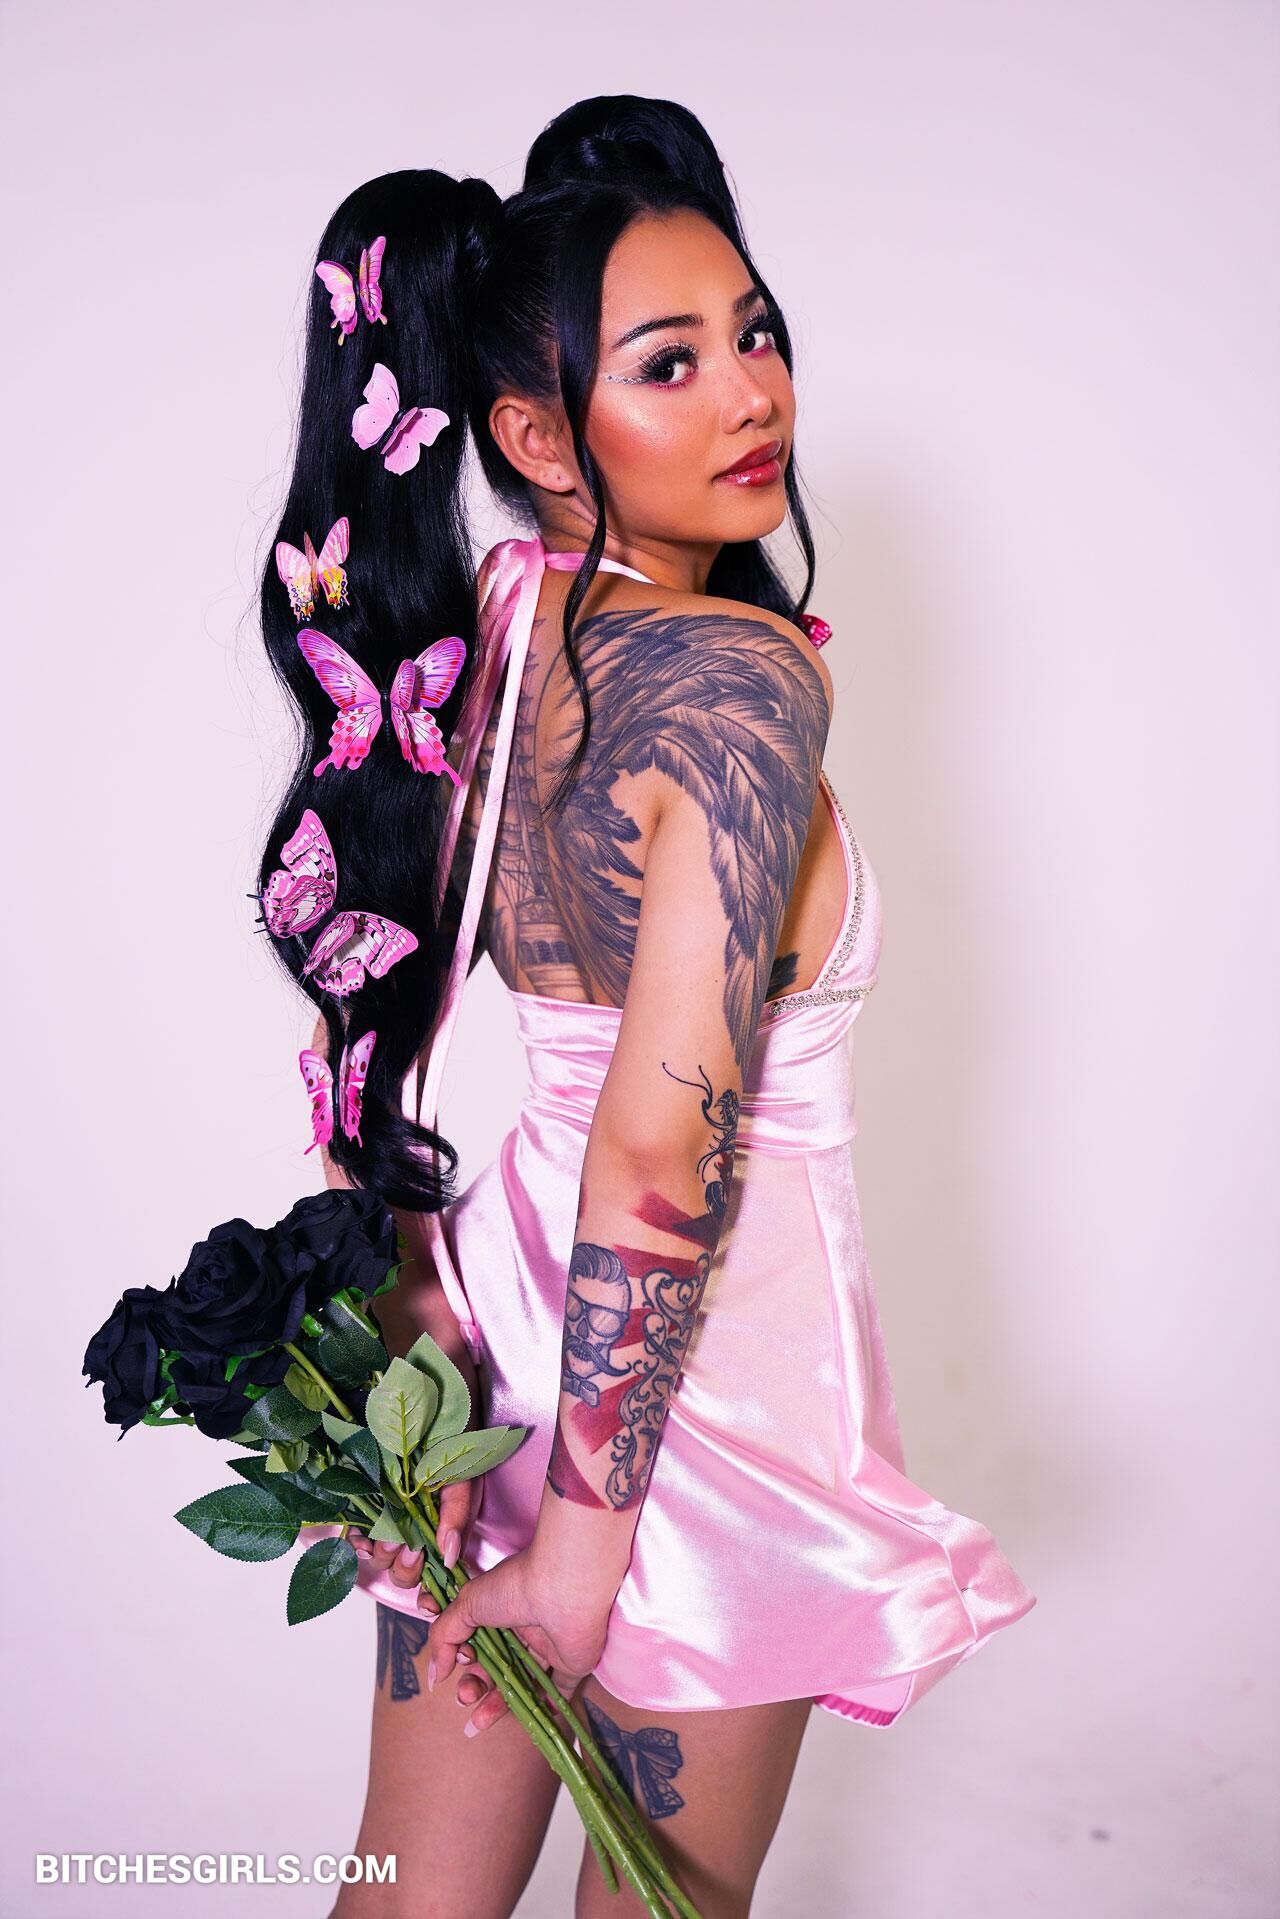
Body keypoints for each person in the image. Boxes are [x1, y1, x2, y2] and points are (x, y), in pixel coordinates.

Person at [257, 96, 1037, 1919]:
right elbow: (664, 1143)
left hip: (493, 1339)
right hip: (699, 1403)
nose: (753, 395)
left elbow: (390, 996)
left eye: (755, 335)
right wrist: (586, 1554)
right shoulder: (736, 684)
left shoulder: (491, 630)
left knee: (403, 1901)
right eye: (669, 364)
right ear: (535, 434)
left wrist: (410, 1313)